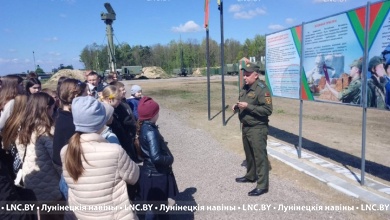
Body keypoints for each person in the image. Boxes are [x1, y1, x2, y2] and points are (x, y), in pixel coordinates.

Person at [61, 96, 139, 220]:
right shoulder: (114, 151)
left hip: (81, 214)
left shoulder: (65, 151)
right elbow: (134, 177)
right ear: (101, 121)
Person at [16, 92, 63, 219]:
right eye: (53, 108)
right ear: (46, 108)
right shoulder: (46, 130)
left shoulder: (23, 128)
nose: (54, 112)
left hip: (31, 176)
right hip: (50, 182)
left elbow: (22, 155)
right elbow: (56, 159)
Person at [232, 62, 273, 196]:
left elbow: (267, 110)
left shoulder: (262, 89)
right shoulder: (246, 87)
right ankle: (250, 176)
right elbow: (243, 102)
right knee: (249, 154)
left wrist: (248, 106)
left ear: (255, 75)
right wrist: (237, 106)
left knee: (260, 156)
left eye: (247, 75)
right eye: (244, 75)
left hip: (257, 128)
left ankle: (262, 185)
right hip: (246, 126)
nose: (244, 77)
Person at [135, 96, 179, 220]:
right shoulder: (150, 131)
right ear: (153, 114)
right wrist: (170, 159)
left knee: (153, 207)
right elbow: (156, 157)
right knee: (157, 209)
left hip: (150, 173)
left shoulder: (145, 126)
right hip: (156, 175)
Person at [52, 78, 87, 200]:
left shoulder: (62, 115)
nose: (88, 97)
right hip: (74, 179)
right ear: (76, 96)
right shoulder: (71, 123)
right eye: (85, 95)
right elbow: (58, 157)